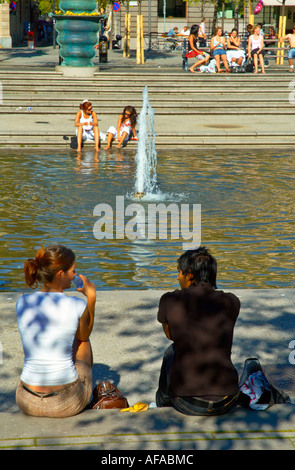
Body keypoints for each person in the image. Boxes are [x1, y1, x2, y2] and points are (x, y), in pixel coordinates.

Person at [156, 247, 241, 416]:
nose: (177, 277)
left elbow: (171, 336)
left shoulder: (170, 300)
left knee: (171, 351)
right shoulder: (231, 301)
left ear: (189, 274)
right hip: (227, 400)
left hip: (187, 402)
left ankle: (163, 402)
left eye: (179, 272)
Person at [15, 244, 96, 418]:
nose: (75, 275)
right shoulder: (76, 305)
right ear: (60, 274)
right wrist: (91, 297)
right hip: (66, 403)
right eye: (73, 271)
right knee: (82, 339)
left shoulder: (22, 302)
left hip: (26, 400)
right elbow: (84, 334)